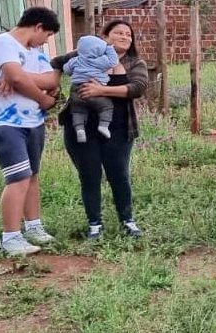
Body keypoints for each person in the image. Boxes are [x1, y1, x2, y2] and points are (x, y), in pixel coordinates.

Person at [54, 20, 149, 240]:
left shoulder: (135, 63)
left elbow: (138, 88)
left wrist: (101, 89)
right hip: (81, 127)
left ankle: (128, 221)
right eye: (118, 33)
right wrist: (52, 87)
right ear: (105, 36)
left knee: (120, 175)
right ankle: (94, 225)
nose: (125, 36)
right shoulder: (85, 54)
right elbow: (56, 63)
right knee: (89, 175)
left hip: (118, 128)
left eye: (128, 34)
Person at [0, 7, 60, 256]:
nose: (46, 41)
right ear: (38, 27)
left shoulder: (35, 52)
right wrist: (43, 100)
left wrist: (20, 76)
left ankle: (33, 226)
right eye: (47, 35)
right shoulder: (3, 43)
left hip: (32, 123)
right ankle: (10, 237)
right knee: (18, 177)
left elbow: (52, 81)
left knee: (32, 175)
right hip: (5, 122)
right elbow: (16, 77)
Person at [63, 35, 119, 143]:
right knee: (107, 106)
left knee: (77, 111)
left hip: (77, 89)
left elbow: (66, 70)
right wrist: (109, 48)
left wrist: (75, 72)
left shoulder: (76, 60)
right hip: (96, 90)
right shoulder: (101, 60)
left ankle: (79, 130)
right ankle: (103, 125)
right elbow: (113, 62)